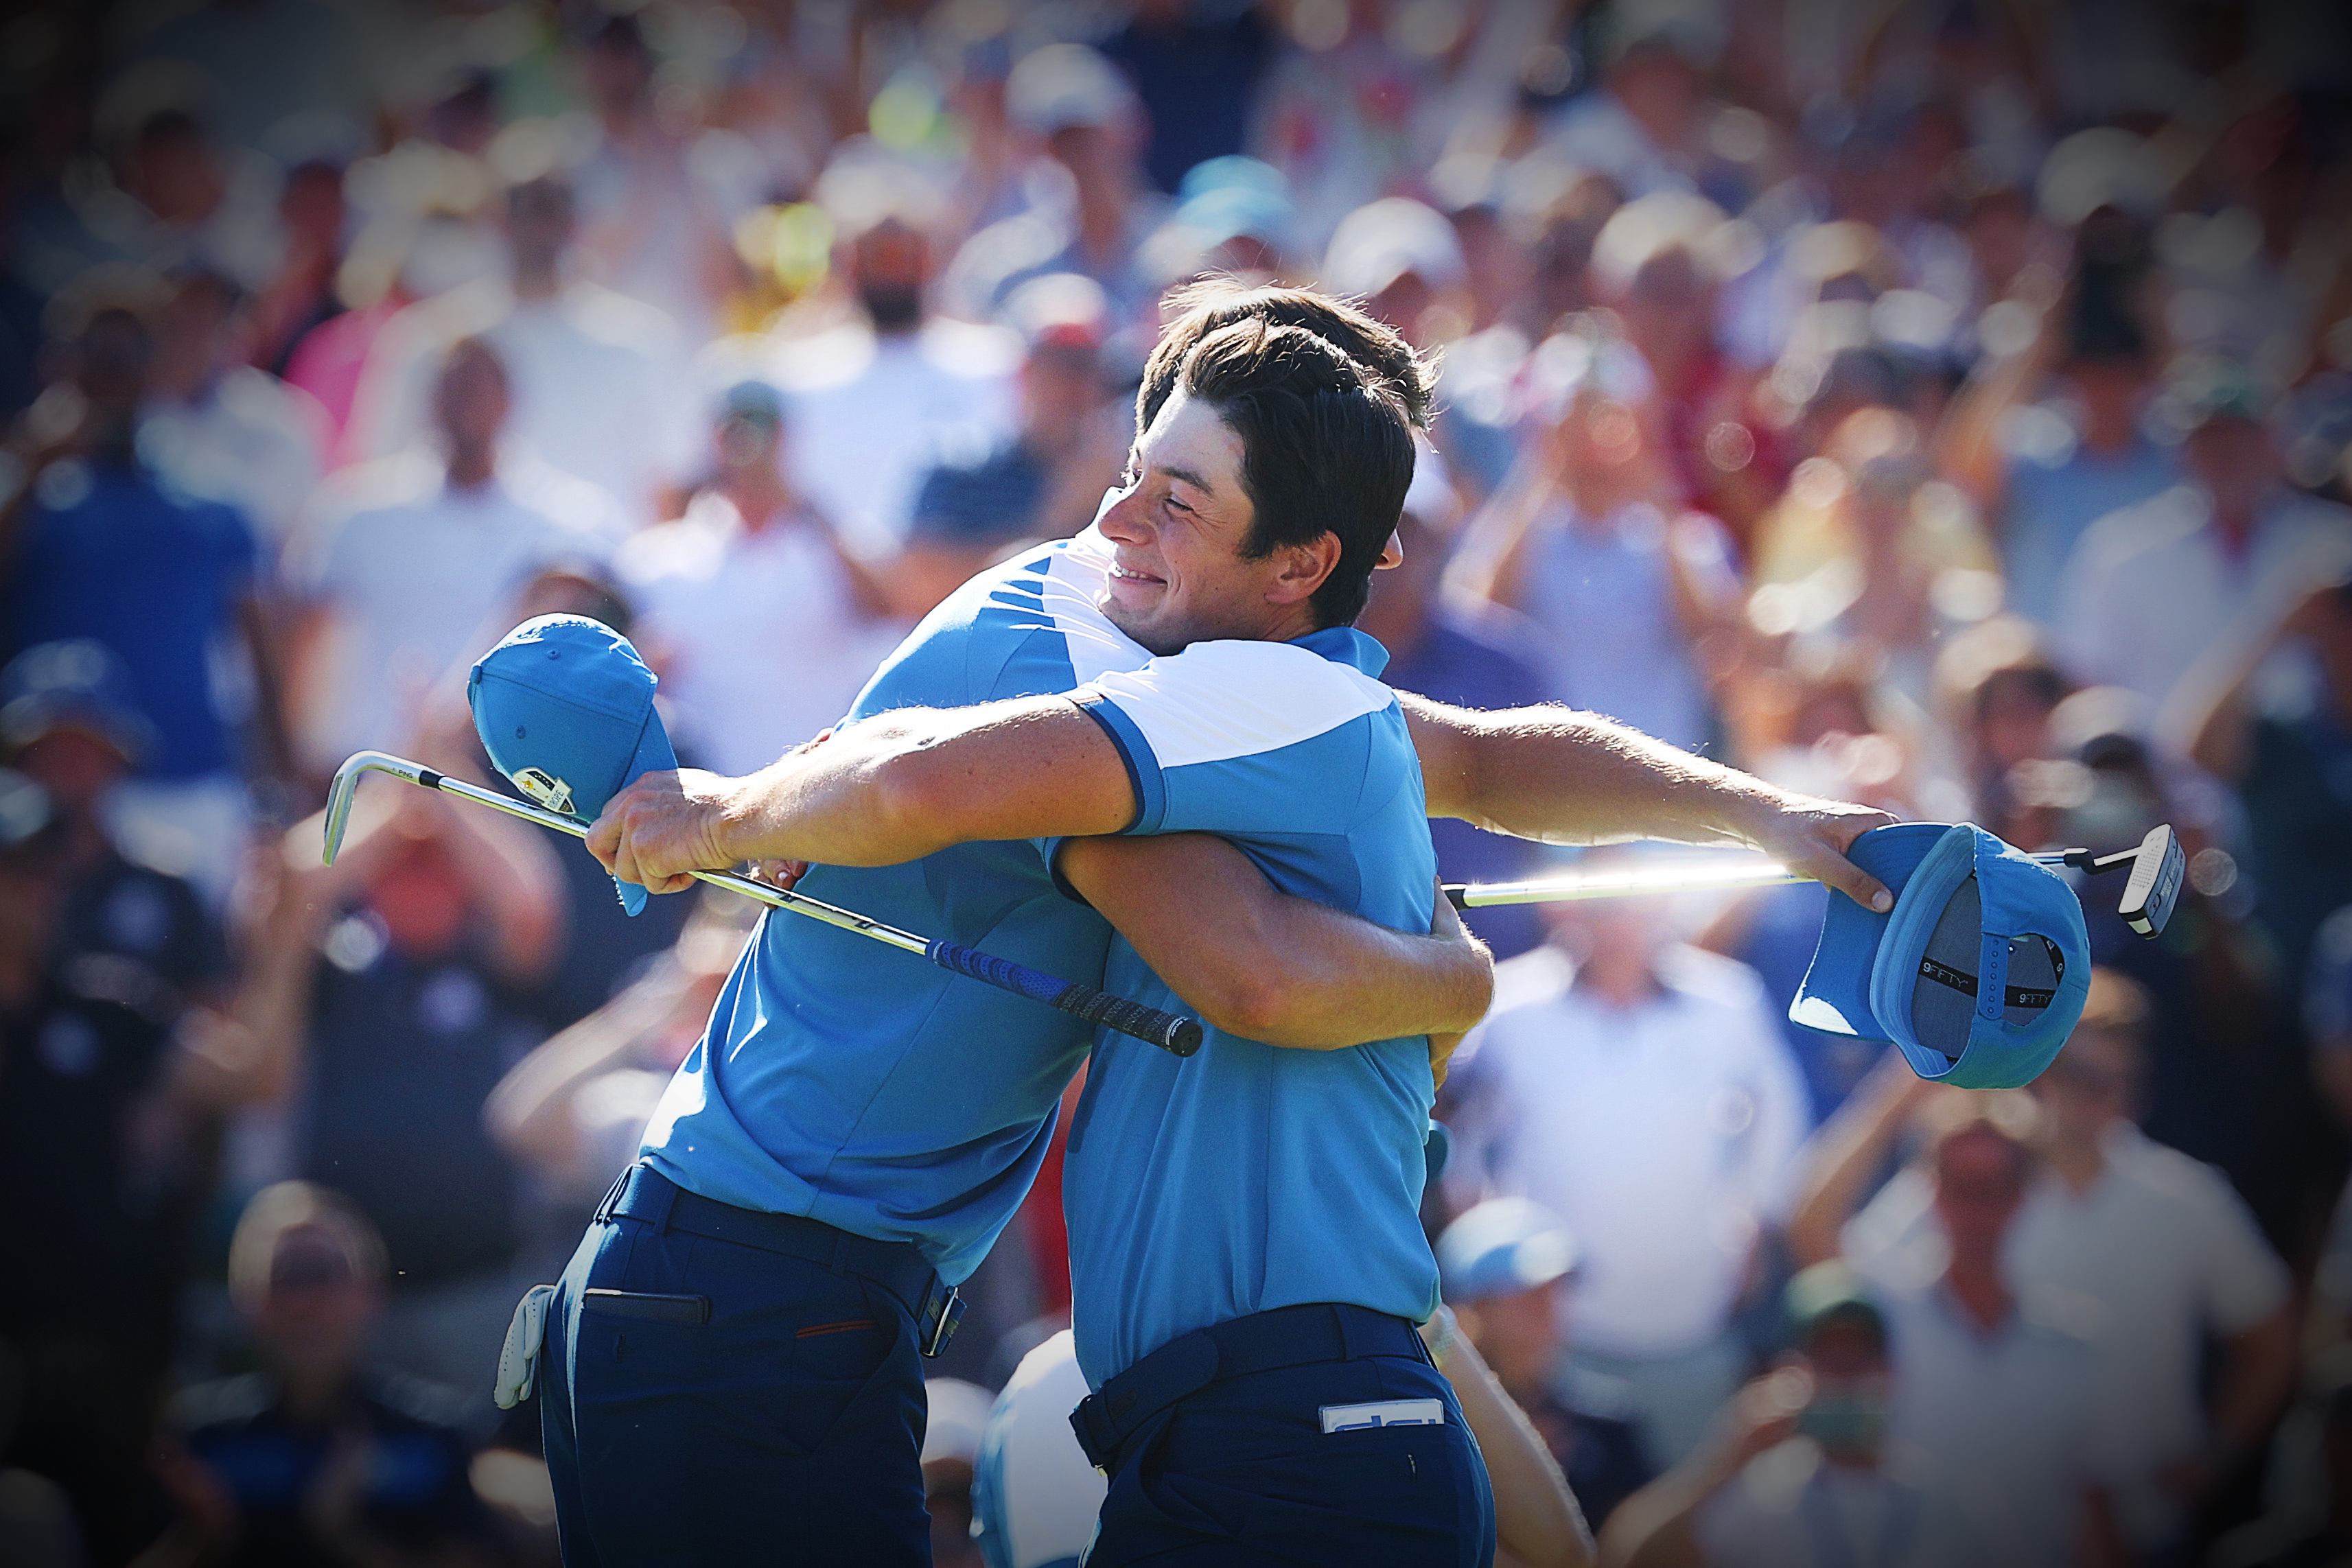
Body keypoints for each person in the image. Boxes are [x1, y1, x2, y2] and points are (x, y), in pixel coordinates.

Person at [566, 283, 1894, 1564]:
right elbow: (1247, 962)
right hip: (750, 1289)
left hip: (764, 1292)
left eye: (1178, 496)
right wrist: (1458, 982)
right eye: (1135, 470)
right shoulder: (1121, 647)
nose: (1120, 517)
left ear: (1303, 562)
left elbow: (1484, 756)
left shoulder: (1217, 679)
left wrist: (1789, 821)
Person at [1444, 882, 1810, 1469]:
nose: (1615, 918)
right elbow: (1463, 1142)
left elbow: (1780, 1114)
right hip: (1558, 1345)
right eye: (1599, 900)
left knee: (1685, 1528)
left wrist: (1757, 1220)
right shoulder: (1506, 1002)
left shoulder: (1729, 999)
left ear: (1661, 902)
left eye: (1629, 899)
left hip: (1694, 1320)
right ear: (1563, 903)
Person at [1788, 1086, 2128, 1568]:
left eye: (1994, 1186)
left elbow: (2097, 1520)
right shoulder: (1884, 1317)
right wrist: (1909, 1083)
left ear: (2024, 1192)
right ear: (1929, 1187)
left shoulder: (2075, 1346)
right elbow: (1809, 1226)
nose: (1976, 1210)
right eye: (1959, 1184)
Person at [286, 336, 612, 780]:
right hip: (371, 768)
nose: (469, 404)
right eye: (456, 389)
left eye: (481, 389)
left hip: (505, 786)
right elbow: (304, 640)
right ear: (432, 402)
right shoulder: (356, 513)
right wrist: (300, 757)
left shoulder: (568, 519)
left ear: (508, 401)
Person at [154, 1183, 508, 1568]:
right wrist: (201, 1542)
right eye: (285, 1276)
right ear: (246, 1302)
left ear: (372, 1294)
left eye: (324, 1273)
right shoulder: (201, 1446)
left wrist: (346, 1538)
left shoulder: (432, 1438)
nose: (305, 1304)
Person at [347, 174, 697, 524]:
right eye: (529, 214)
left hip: (593, 569)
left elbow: (666, 489)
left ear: (573, 225)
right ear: (502, 225)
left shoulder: (638, 342)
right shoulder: (431, 335)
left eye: (550, 215)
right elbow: (381, 468)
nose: (539, 230)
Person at [1596, 1263, 1992, 1568]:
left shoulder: (1947, 1500)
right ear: (1792, 1372)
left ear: (1892, 1370)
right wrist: (1722, 1464)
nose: (1847, 1377)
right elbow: (1625, 1557)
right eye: (1829, 1359)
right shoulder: (1756, 1491)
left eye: (1861, 1357)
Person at [616, 379, 899, 777]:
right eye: (733, 430)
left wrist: (808, 512)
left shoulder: (839, 543)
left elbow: (888, 611)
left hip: (824, 788)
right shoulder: (656, 560)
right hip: (709, 798)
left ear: (786, 439)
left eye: (762, 429)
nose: (749, 447)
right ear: (713, 439)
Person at [1436, 1198, 1651, 1533]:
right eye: (1523, 1291)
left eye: (1556, 1287)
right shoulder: (1434, 1424)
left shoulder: (1608, 1421)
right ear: (1470, 1310)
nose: (1546, 1305)